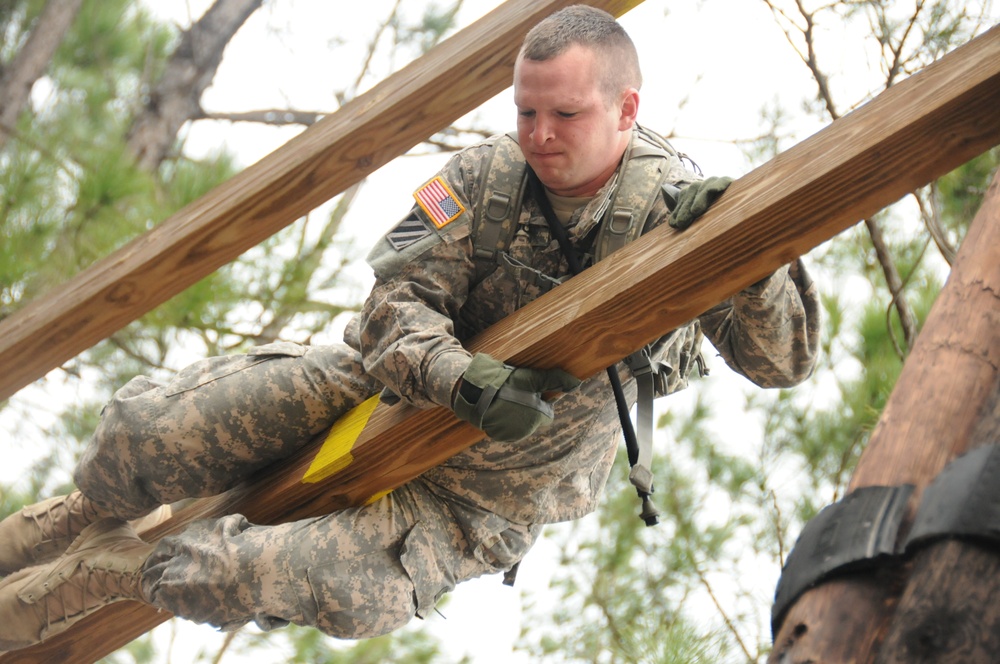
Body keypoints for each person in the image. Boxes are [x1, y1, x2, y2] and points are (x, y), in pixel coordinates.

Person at [0, 5, 820, 652]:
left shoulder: (674, 214)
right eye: (526, 111)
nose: (538, 136)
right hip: (380, 390)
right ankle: (76, 517)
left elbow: (781, 363)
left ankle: (101, 574)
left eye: (563, 115)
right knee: (142, 431)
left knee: (237, 575)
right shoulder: (485, 176)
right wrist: (456, 376)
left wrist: (747, 264)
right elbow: (393, 306)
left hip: (483, 498)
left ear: (625, 107)